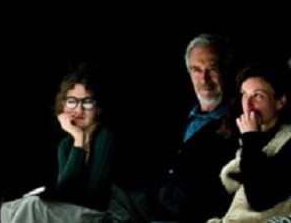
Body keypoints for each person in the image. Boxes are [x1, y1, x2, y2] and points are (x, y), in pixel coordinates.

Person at [112, 33, 239, 222]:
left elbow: (209, 193)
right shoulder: (176, 115)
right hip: (146, 205)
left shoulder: (237, 124)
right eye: (196, 70)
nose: (204, 79)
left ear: (227, 70)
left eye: (212, 69)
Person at [0, 64, 120, 223]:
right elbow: (65, 190)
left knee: (32, 206)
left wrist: (79, 139)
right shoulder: (66, 145)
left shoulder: (106, 136)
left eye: (87, 102)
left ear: (98, 108)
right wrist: (79, 139)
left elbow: (95, 198)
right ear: (63, 106)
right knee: (8, 208)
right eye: (71, 102)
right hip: (72, 212)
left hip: (101, 215)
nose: (78, 110)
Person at [208, 62, 291, 222]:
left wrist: (251, 138)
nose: (248, 105)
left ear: (280, 101)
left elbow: (260, 198)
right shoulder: (233, 134)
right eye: (244, 95)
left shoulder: (285, 140)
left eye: (257, 96)